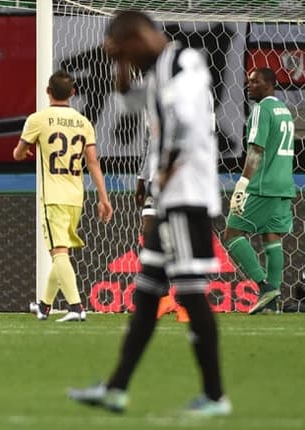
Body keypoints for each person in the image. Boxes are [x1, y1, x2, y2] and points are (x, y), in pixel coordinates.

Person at [68, 11, 231, 416]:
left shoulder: (183, 63)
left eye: (125, 52)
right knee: (145, 294)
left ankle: (215, 397)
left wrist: (164, 171)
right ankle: (116, 388)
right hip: (167, 198)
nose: (124, 60)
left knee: (191, 293)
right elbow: (128, 103)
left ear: (140, 36)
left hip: (185, 196)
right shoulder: (157, 69)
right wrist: (120, 64)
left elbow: (188, 126)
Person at [13, 70, 113, 322]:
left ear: (47, 92)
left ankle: (76, 307)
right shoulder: (84, 122)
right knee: (62, 253)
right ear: (73, 93)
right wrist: (104, 198)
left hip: (53, 195)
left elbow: (18, 153)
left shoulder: (38, 119)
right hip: (75, 195)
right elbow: (93, 163)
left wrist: (26, 149)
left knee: (58, 253)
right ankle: (44, 306)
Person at [224, 68, 295, 315]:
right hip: (284, 185)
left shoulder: (261, 110)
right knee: (272, 239)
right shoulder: (284, 111)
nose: (249, 85)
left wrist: (242, 185)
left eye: (255, 81)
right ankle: (272, 304)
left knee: (232, 233)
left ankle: (265, 288)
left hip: (262, 186)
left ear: (269, 85)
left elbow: (256, 150)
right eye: (248, 81)